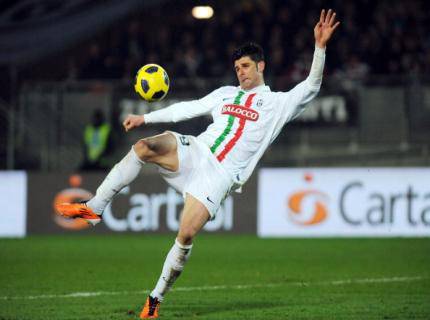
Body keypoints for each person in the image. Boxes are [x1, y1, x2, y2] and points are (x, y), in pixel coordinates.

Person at [56, 9, 339, 319]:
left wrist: (320, 47)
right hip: (196, 150)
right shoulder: (225, 94)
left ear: (260, 66)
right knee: (143, 147)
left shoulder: (278, 103)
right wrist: (144, 118)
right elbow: (187, 109)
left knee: (186, 234)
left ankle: (155, 300)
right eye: (236, 67)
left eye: (245, 66)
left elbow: (311, 86)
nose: (240, 72)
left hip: (219, 176)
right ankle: (94, 208)